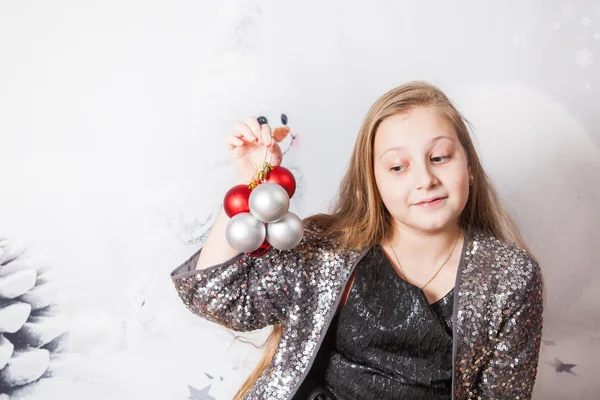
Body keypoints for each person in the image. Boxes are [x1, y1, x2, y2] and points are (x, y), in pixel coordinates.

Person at [170, 81, 544, 400]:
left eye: (440, 157)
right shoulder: (328, 249)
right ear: (374, 181)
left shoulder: (510, 276)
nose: (424, 179)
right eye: (398, 167)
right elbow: (216, 297)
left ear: (470, 167)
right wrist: (250, 182)